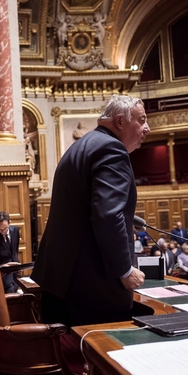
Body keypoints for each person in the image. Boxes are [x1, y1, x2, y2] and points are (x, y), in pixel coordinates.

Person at [32, 95, 149, 327]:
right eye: (142, 119)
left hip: (62, 283)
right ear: (119, 121)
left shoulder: (80, 146)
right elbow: (108, 216)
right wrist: (124, 271)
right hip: (92, 291)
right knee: (104, 359)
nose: (147, 128)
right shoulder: (111, 149)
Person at [0, 211, 20, 293]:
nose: (2, 231)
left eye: (5, 229)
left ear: (9, 223)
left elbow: (15, 249)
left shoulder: (15, 230)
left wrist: (16, 261)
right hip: (4, 274)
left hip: (16, 270)